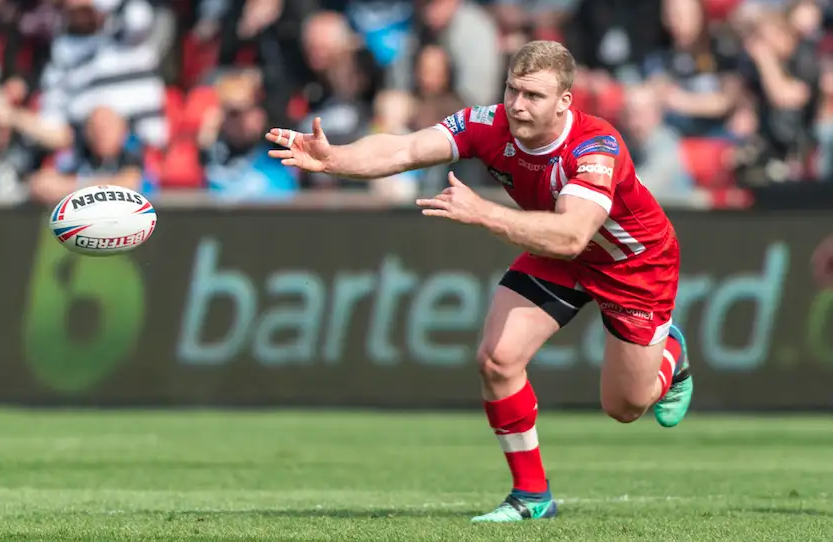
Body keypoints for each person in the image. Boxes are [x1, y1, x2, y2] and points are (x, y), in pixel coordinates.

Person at [264, 40, 693, 523]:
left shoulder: (597, 146)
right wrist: (337, 159)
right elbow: (406, 147)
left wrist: (482, 212)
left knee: (625, 406)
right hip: (555, 249)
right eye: (512, 89)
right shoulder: (487, 124)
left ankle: (669, 356)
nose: (517, 104)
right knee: (496, 359)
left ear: (564, 102)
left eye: (533, 95)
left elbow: (573, 233)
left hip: (630, 265)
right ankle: (532, 497)